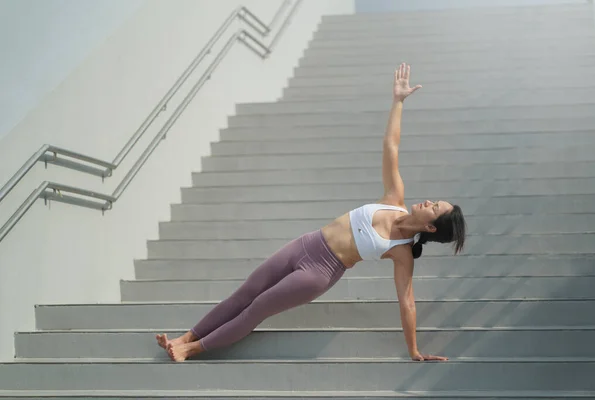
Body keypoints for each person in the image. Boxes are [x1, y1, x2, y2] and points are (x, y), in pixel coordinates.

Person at [156, 62, 467, 362]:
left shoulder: (402, 253)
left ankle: (192, 350)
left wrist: (414, 349)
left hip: (319, 272)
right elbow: (391, 146)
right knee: (246, 292)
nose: (428, 202)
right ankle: (183, 338)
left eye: (434, 208)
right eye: (433, 201)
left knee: (258, 308)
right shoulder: (394, 196)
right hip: (307, 243)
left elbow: (407, 302)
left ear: (431, 228)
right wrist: (398, 101)